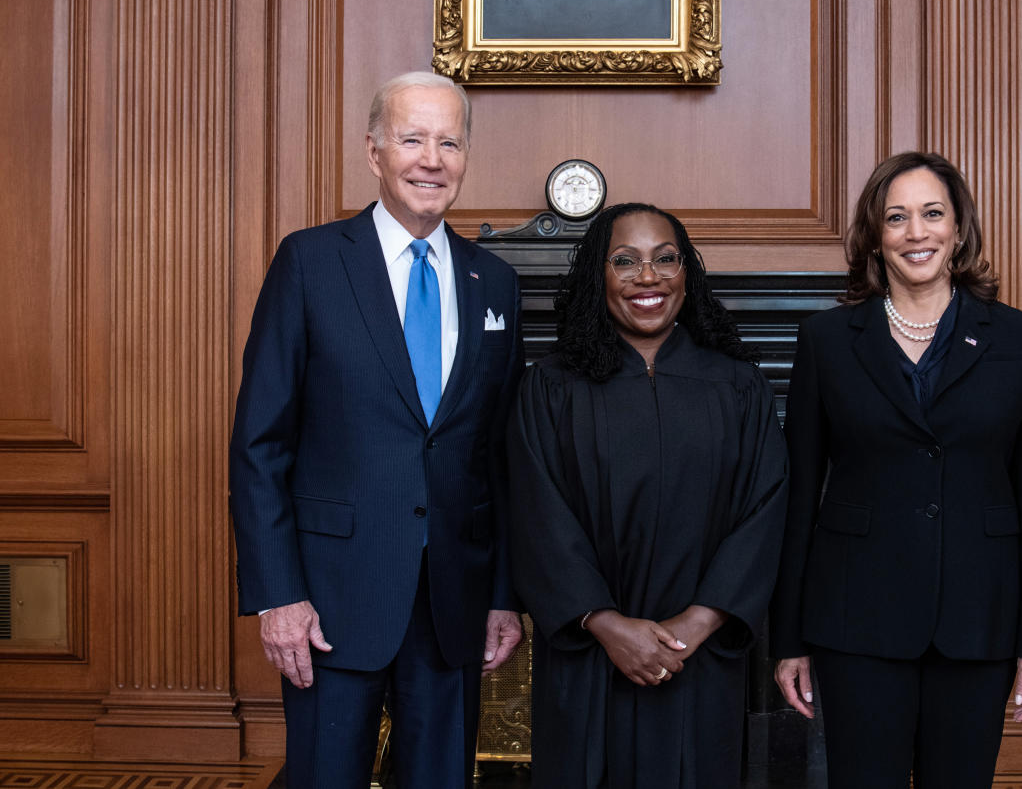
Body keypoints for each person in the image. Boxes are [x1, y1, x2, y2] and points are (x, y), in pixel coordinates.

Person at [229, 71, 525, 789]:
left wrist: (503, 594)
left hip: (452, 600)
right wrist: (278, 594)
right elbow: (259, 444)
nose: (432, 159)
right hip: (329, 600)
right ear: (374, 153)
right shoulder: (310, 262)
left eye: (449, 142)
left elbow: (502, 458)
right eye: (412, 139)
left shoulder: (496, 281)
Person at [769, 152, 1022, 788]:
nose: (916, 232)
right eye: (896, 217)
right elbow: (797, 499)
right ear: (876, 236)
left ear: (959, 230)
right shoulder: (826, 340)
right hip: (856, 618)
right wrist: (788, 639)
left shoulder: (1018, 340)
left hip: (979, 616)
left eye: (932, 214)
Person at [508, 202, 789, 787]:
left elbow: (766, 510)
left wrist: (698, 622)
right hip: (589, 655)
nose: (648, 277)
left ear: (687, 272)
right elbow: (537, 513)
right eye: (625, 260)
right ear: (598, 276)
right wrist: (606, 624)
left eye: (666, 259)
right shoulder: (552, 387)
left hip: (701, 657)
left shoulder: (737, 386)